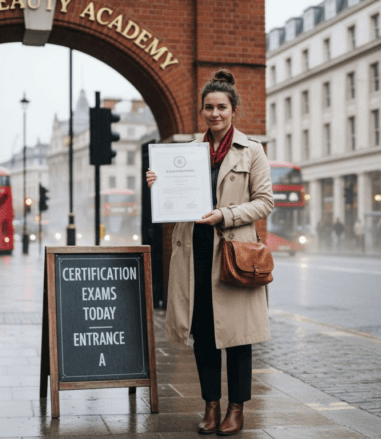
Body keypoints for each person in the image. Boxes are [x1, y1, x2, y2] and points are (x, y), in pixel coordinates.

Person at [146, 70, 273, 436]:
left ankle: (237, 408)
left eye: (221, 107)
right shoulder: (187, 151)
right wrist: (157, 183)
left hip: (232, 253)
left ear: (233, 110)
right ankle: (211, 406)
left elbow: (265, 202)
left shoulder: (252, 150)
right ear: (202, 110)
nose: (214, 113)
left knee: (237, 337)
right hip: (194, 254)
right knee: (203, 335)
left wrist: (226, 215)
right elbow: (173, 201)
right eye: (208, 107)